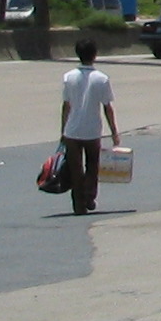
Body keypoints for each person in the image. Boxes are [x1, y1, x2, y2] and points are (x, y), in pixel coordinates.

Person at [58, 36, 121, 216]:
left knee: (75, 169)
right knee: (93, 166)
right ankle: (89, 195)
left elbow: (66, 105)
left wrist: (62, 130)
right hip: (92, 130)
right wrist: (114, 132)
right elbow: (107, 107)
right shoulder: (102, 79)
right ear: (94, 55)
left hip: (72, 131)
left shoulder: (68, 77)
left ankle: (79, 204)